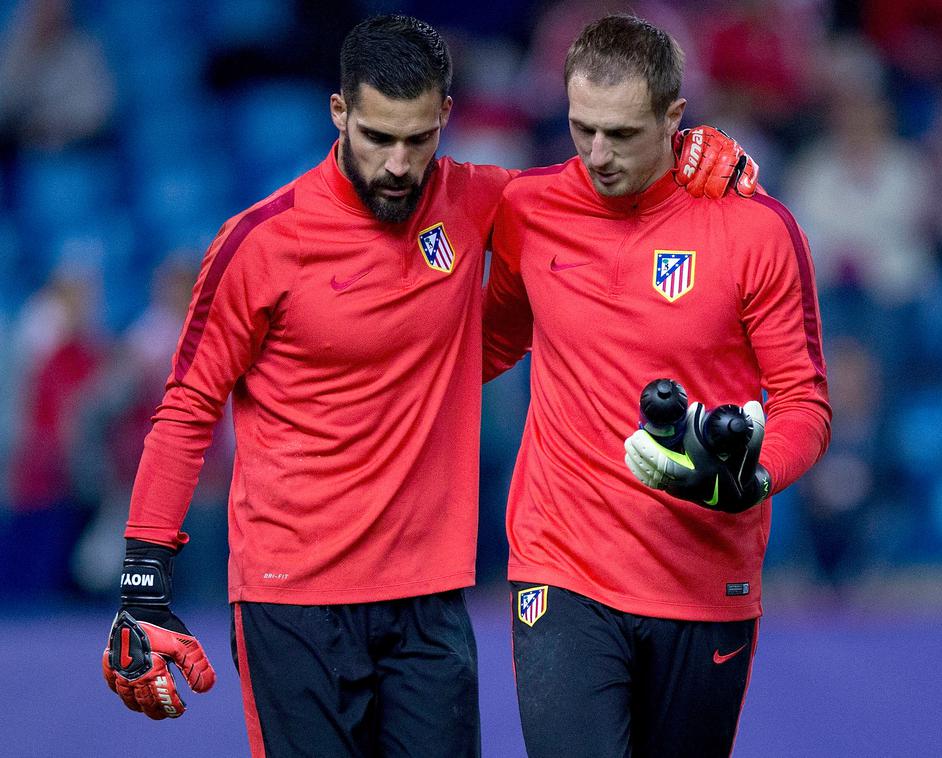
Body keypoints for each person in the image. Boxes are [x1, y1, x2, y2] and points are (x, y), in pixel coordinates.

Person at [99, 13, 754, 758]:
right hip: (292, 602)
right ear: (339, 112)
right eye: (378, 138)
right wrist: (142, 585)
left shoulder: (482, 198)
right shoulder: (260, 243)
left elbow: (604, 184)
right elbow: (187, 409)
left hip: (429, 606)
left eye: (418, 139)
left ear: (446, 115)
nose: (399, 166)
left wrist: (691, 154)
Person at [482, 14, 831, 757]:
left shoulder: (757, 230)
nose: (598, 155)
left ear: (676, 118)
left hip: (705, 578)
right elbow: (488, 343)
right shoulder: (526, 209)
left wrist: (756, 477)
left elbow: (803, 402)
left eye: (622, 134)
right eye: (582, 129)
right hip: (562, 565)